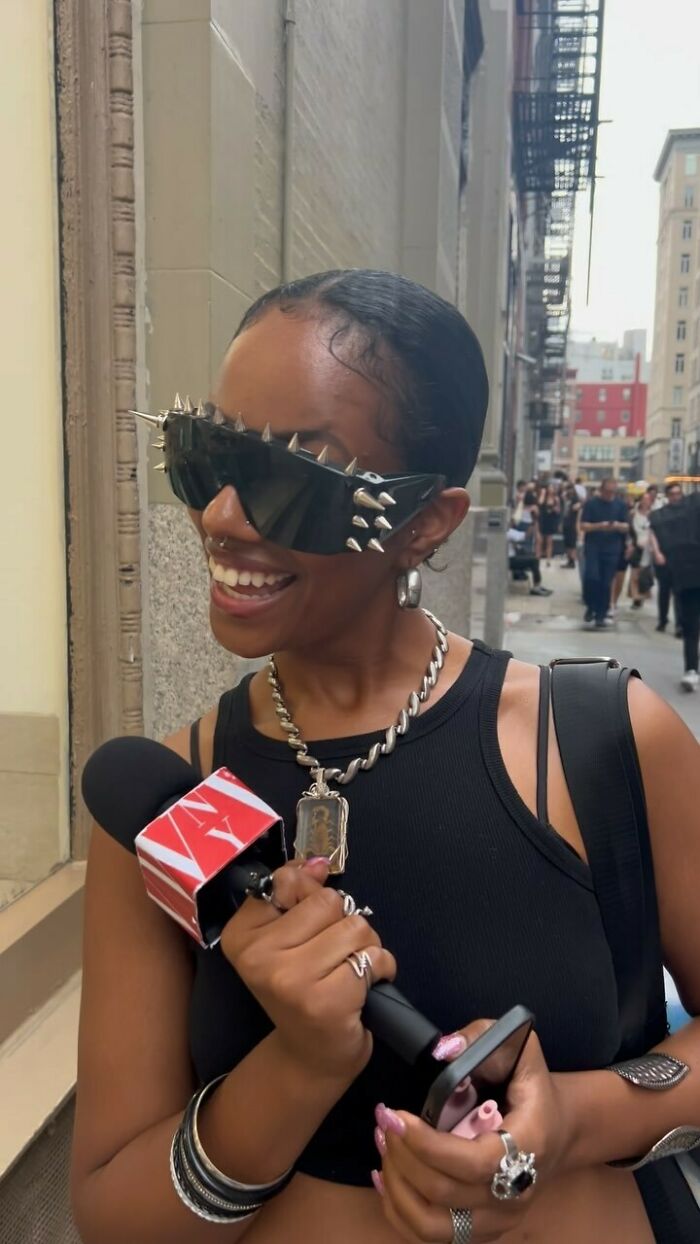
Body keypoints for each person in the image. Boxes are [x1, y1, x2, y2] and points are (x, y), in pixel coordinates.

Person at [71, 270, 700, 1244]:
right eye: (204, 456)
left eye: (291, 478)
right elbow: (115, 1210)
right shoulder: (170, 804)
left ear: (426, 522)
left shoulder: (599, 741)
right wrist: (301, 1062)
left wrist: (577, 1116)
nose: (225, 516)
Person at [651, 489, 700, 692]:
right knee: (691, 626)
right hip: (689, 574)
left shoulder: (669, 516)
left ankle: (691, 669)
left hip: (687, 574)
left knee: (690, 627)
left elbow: (659, 529)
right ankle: (691, 669)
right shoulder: (689, 509)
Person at [580, 478, 629, 629]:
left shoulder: (620, 505)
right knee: (591, 578)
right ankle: (590, 605)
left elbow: (627, 526)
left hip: (612, 548)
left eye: (612, 492)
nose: (609, 495)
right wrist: (599, 526)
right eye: (607, 491)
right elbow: (583, 526)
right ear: (601, 490)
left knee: (606, 583)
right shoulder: (591, 504)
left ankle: (600, 614)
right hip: (594, 546)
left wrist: (617, 525)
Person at [650, 482, 684, 635]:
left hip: (682, 559)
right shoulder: (659, 514)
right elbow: (653, 533)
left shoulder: (687, 513)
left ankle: (680, 625)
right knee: (664, 591)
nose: (676, 497)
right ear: (668, 496)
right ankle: (662, 620)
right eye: (673, 494)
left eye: (678, 494)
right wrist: (656, 552)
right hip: (663, 557)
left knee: (679, 593)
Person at [507, 524, 553, 596]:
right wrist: (532, 526)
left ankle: (537, 585)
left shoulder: (509, 531)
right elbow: (525, 536)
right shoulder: (507, 533)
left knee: (532, 557)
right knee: (534, 561)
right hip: (509, 560)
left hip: (512, 557)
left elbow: (524, 535)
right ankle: (536, 587)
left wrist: (532, 525)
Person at [629, 492, 654, 610]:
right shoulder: (633, 514)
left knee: (645, 574)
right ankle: (635, 598)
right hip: (636, 545)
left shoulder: (653, 515)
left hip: (649, 547)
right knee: (635, 574)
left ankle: (643, 595)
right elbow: (630, 530)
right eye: (644, 499)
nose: (646, 501)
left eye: (648, 499)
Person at [537, 484, 561, 565]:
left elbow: (558, 510)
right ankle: (538, 558)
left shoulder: (556, 499)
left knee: (549, 541)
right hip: (543, 520)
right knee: (540, 541)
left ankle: (548, 559)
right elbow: (539, 503)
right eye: (549, 487)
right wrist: (543, 494)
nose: (550, 489)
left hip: (551, 520)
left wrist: (555, 509)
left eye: (552, 488)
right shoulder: (543, 497)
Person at [560, 484, 581, 569]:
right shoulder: (566, 499)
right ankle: (569, 560)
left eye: (571, 489)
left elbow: (578, 508)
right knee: (567, 543)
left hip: (572, 523)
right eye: (568, 489)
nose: (569, 491)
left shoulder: (576, 500)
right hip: (566, 523)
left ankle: (572, 560)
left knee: (572, 543)